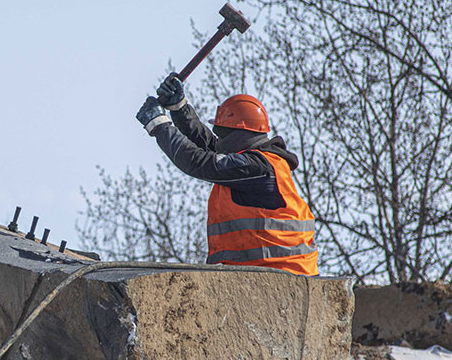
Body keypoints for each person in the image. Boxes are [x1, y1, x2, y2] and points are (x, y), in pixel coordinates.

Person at [135, 72, 318, 275]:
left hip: (281, 273)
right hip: (268, 271)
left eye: (222, 134)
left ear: (239, 135)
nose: (218, 140)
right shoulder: (259, 164)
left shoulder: (257, 167)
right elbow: (211, 149)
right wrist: (179, 109)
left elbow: (200, 161)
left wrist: (160, 126)